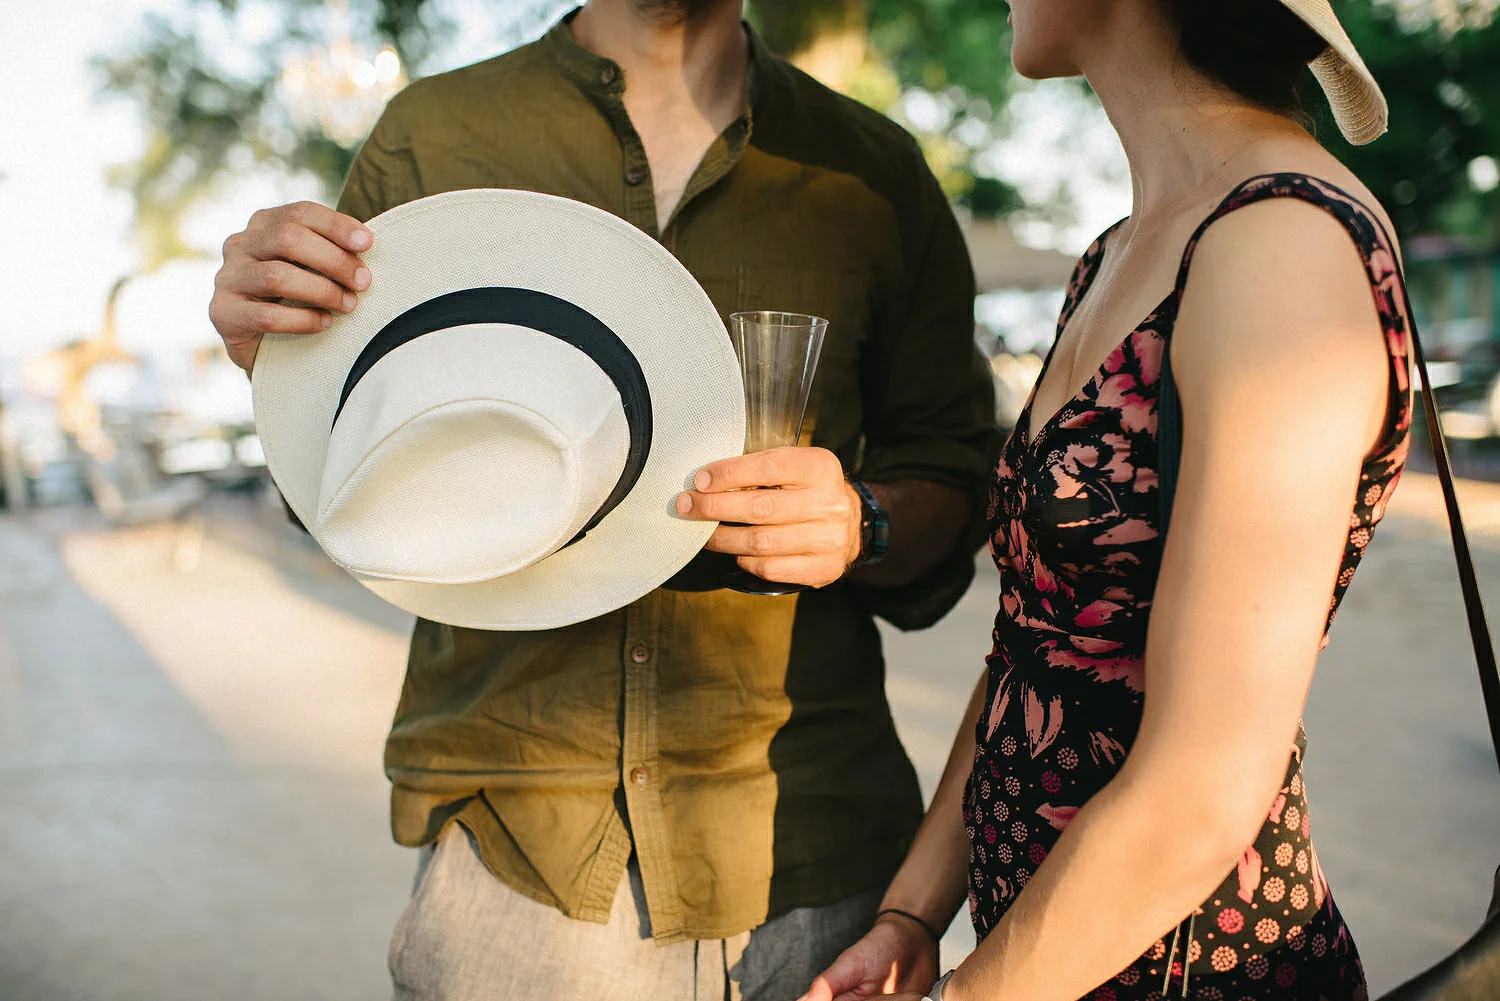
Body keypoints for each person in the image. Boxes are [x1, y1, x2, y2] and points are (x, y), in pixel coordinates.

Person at [207, 2, 998, 998]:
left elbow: (960, 475)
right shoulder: (434, 136)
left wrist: (865, 519)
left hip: (812, 851)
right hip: (521, 858)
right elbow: (342, 482)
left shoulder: (874, 171)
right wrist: (280, 369)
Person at [789, 2, 1410, 1000]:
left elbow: (1204, 784)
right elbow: (1034, 643)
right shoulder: (1126, 248)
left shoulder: (1277, 245)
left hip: (1189, 968)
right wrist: (913, 916)